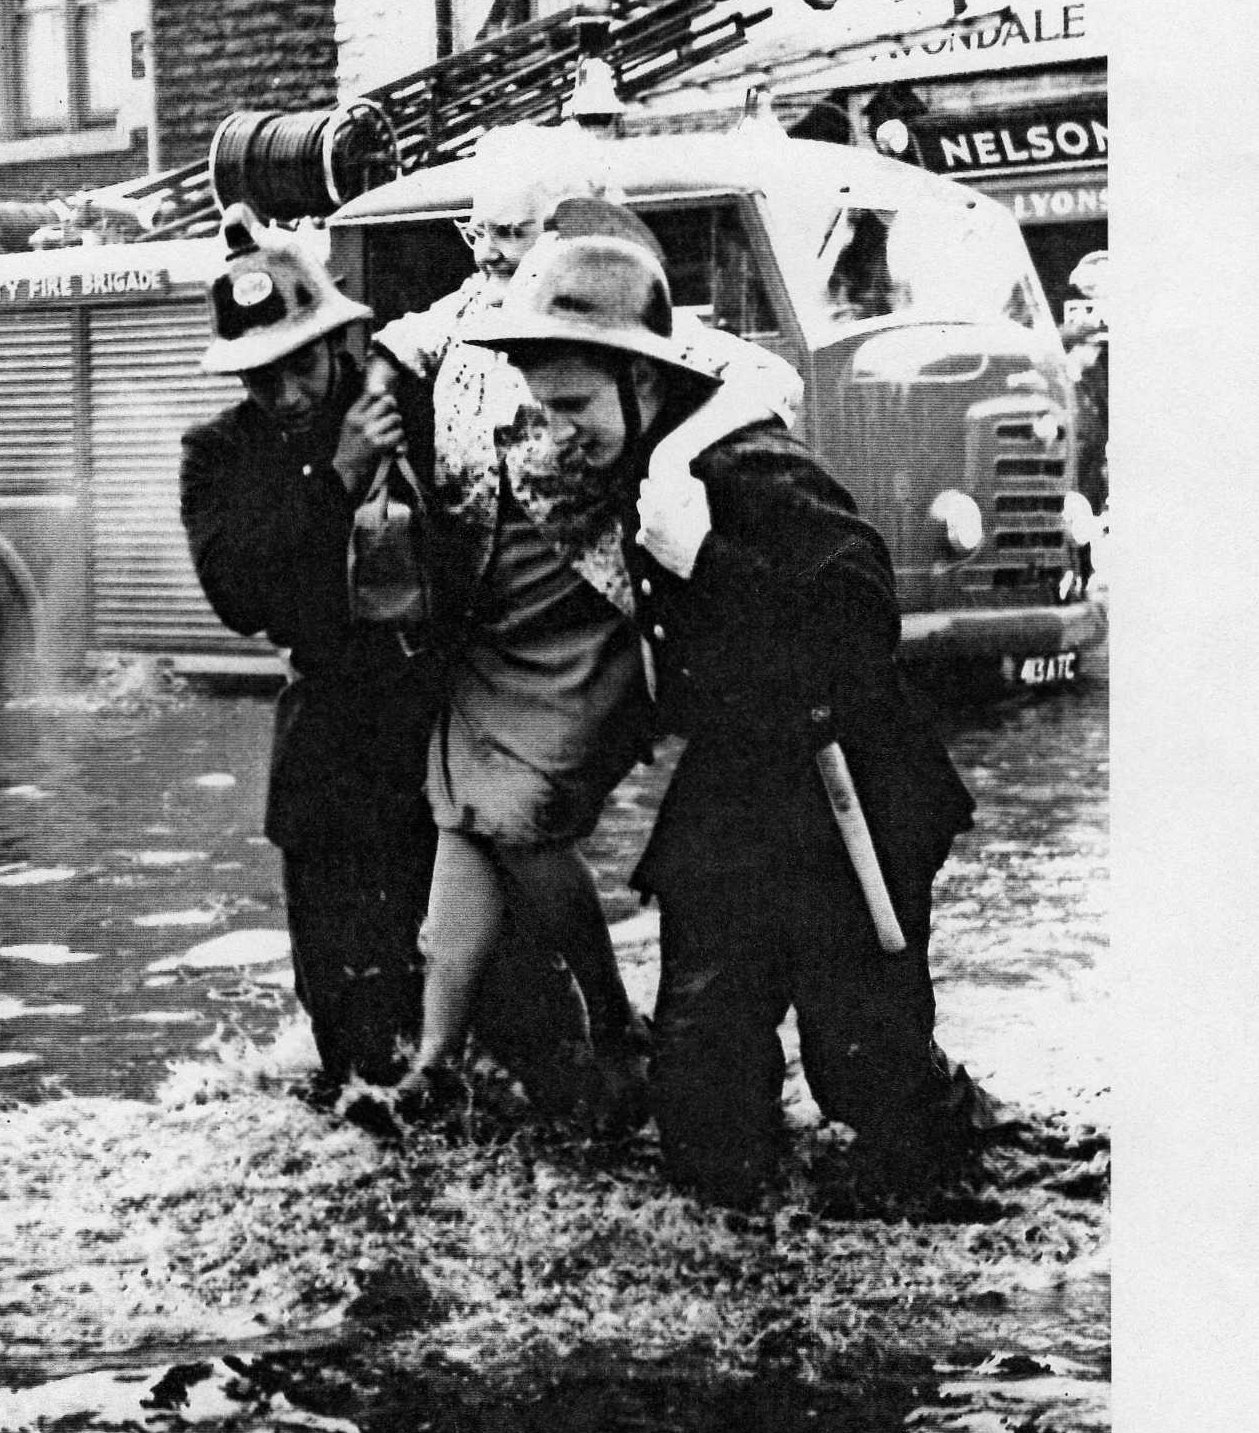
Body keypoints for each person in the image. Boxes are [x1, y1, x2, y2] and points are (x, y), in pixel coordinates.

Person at [467, 219, 987, 1213]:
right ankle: (733, 1237)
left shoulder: (743, 469)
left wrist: (709, 556)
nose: (559, 429)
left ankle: (952, 1173)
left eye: (574, 405)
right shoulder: (649, 452)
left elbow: (862, 615)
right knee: (702, 1060)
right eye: (547, 406)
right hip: (745, 780)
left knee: (862, 1064)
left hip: (857, 784)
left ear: (643, 379)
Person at [370, 180, 721, 1123]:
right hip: (491, 614)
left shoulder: (608, 304)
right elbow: (403, 340)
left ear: (562, 229)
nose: (500, 251)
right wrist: (380, 370)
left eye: (521, 232)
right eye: (486, 232)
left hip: (585, 614)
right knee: (463, 822)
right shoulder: (461, 318)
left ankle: (613, 1024)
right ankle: (435, 1062)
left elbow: (741, 376)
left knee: (525, 818)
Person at [178, 210, 440, 1096]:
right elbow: (242, 597)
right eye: (260, 378)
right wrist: (337, 477)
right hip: (329, 732)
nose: (284, 395)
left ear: (340, 343)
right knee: (346, 1002)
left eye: (298, 367)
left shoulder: (411, 410)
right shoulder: (217, 458)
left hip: (436, 716)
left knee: (468, 976)